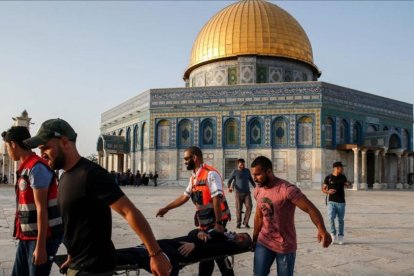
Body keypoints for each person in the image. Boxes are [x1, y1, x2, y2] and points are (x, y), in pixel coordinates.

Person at [23, 118, 171, 276]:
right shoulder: (65, 176)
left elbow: (128, 211)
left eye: (45, 148)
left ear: (64, 142)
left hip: (94, 268)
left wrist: (155, 254)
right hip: (79, 264)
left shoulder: (91, 174)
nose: (42, 154)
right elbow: (77, 222)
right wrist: (72, 256)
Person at [156, 146, 233, 276]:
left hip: (216, 221)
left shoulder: (210, 173)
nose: (184, 161)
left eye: (186, 158)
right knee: (209, 254)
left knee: (217, 254)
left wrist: (219, 224)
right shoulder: (194, 177)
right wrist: (167, 208)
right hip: (204, 222)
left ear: (195, 158)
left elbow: (216, 199)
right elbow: (184, 197)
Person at [250, 156, 331, 276]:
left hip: (284, 245)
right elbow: (259, 216)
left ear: (269, 171)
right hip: (264, 242)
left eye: (258, 174)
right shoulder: (258, 190)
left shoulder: (287, 190)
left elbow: (310, 208)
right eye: (253, 175)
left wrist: (322, 229)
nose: (255, 178)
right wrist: (255, 239)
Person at [2, 126, 63, 276]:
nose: (8, 153)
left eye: (7, 147)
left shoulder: (36, 168)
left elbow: (41, 208)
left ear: (13, 144)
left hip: (41, 238)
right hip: (27, 236)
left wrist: (41, 247)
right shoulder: (26, 167)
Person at [322, 161, 352, 245]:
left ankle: (341, 236)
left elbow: (347, 184)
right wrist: (328, 191)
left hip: (341, 202)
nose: (342, 169)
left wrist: (349, 183)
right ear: (336, 168)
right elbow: (323, 189)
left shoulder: (343, 177)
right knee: (330, 217)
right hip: (331, 201)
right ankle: (333, 234)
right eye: (341, 168)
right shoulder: (328, 178)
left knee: (340, 220)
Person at [227, 158, 256, 229]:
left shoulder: (247, 171)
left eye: (243, 164)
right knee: (238, 209)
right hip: (238, 193)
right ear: (238, 164)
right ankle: (238, 223)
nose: (242, 166)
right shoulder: (235, 171)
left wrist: (256, 187)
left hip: (247, 193)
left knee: (249, 207)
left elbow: (251, 180)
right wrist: (229, 187)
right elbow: (229, 181)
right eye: (241, 165)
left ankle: (246, 222)